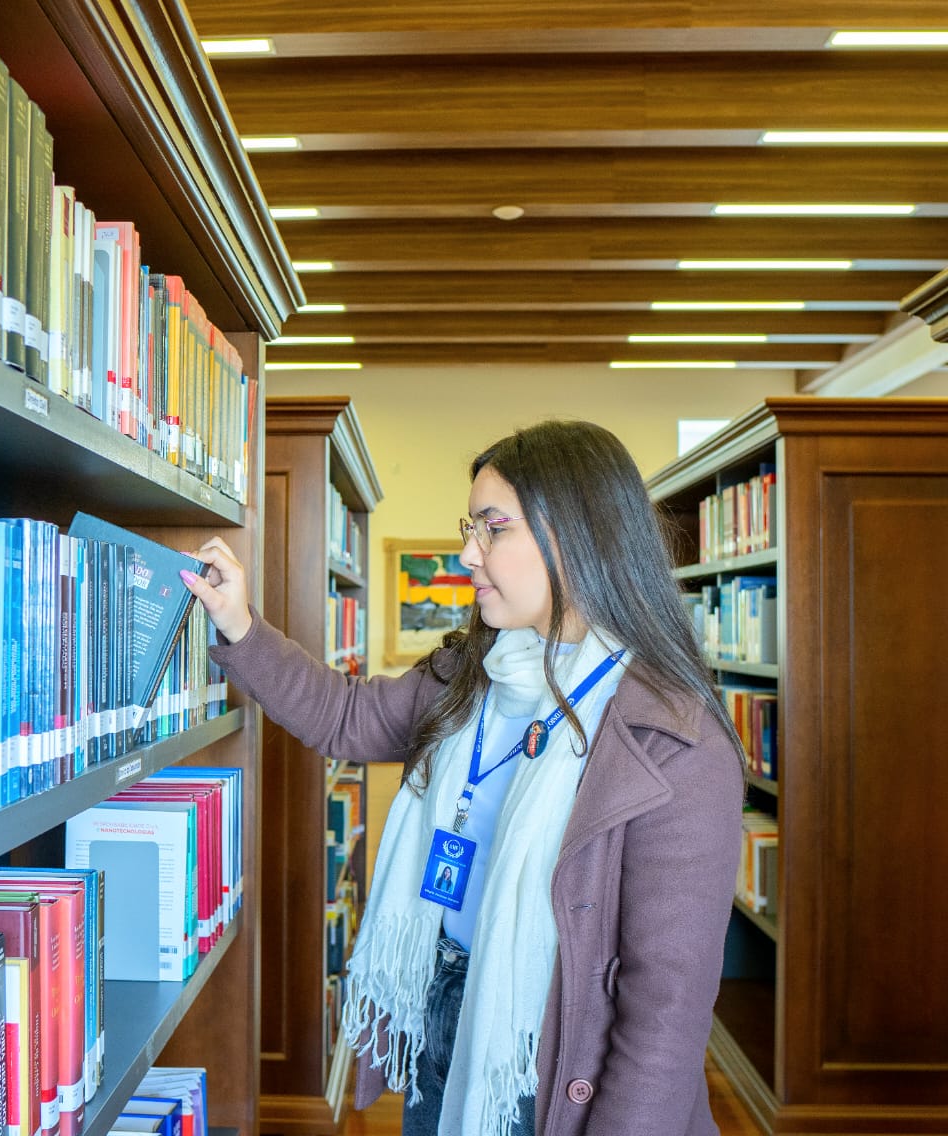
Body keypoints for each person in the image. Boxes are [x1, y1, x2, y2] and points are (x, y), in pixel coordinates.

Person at [179, 420, 744, 1136]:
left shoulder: (675, 741)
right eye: (469, 527)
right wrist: (239, 624)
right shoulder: (473, 674)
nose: (468, 552)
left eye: (493, 528)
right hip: (443, 1001)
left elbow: (664, 1010)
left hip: (545, 1050)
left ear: (576, 535)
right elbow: (344, 717)